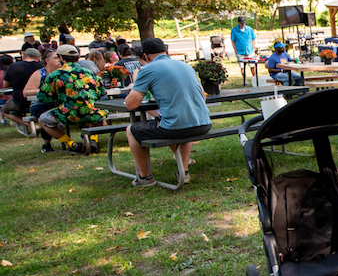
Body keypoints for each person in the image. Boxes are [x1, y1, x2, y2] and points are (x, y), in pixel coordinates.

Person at [125, 38, 212, 187]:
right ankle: (183, 172)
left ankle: (145, 178)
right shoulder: (185, 66)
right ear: (167, 51)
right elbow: (203, 95)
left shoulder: (147, 69)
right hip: (203, 123)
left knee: (132, 130)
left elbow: (131, 105)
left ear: (146, 56)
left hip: (178, 126)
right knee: (182, 125)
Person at [36, 45, 107, 154]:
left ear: (60, 58)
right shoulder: (90, 73)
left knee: (43, 120)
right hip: (92, 113)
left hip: (67, 114)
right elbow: (102, 92)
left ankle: (71, 143)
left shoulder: (55, 75)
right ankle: (93, 140)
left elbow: (43, 97)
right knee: (100, 114)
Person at [24, 50, 63, 153]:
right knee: (46, 117)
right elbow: (26, 92)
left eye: (60, 57)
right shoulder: (40, 74)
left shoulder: (64, 73)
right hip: (40, 105)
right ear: (46, 60)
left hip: (59, 104)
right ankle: (46, 144)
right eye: (55, 58)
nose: (59, 60)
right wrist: (43, 91)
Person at [1, 47, 44, 128]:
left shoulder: (13, 66)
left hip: (20, 103)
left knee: (4, 110)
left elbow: (5, 85)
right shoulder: (43, 67)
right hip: (41, 102)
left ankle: (30, 126)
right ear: (38, 58)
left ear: (23, 56)